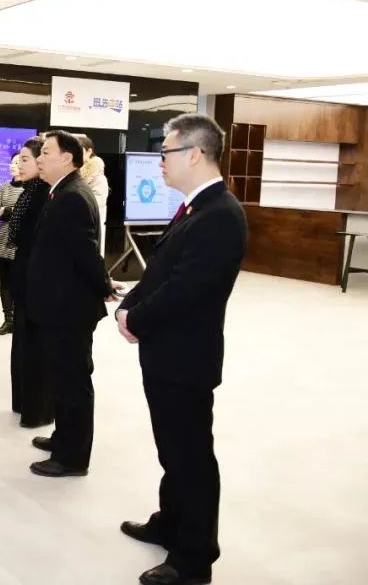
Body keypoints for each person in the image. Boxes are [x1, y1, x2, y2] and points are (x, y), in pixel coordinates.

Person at [115, 114, 246, 585]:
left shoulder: (220, 214)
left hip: (186, 357)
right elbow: (160, 273)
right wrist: (128, 304)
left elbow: (186, 289)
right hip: (166, 352)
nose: (160, 162)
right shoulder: (195, 207)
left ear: (194, 154)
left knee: (191, 457)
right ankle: (170, 522)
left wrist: (136, 319)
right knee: (172, 449)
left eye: (165, 152)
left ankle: (193, 558)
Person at [26, 130, 114, 478]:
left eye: (46, 152)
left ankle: (73, 457)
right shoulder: (62, 191)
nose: (40, 158)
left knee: (73, 381)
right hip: (59, 304)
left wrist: (103, 285)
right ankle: (64, 437)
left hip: (69, 308)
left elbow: (85, 251)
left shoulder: (73, 196)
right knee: (62, 378)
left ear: (67, 158)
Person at [5, 139, 52, 426]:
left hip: (36, 280)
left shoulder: (46, 194)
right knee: (21, 343)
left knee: (34, 347)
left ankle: (36, 408)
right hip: (23, 274)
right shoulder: (28, 191)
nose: (19, 165)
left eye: (25, 159)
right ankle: (22, 402)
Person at [0, 154, 24, 336]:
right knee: (5, 283)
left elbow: (24, 213)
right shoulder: (4, 186)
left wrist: (7, 210)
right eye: (12, 162)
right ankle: (8, 320)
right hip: (2, 240)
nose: (13, 165)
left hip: (19, 242)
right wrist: (10, 211)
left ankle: (19, 320)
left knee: (19, 282)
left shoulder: (29, 189)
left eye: (17, 162)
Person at [77, 134, 110, 256]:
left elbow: (96, 207)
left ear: (89, 151)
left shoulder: (99, 178)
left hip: (90, 229)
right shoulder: (76, 173)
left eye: (79, 150)